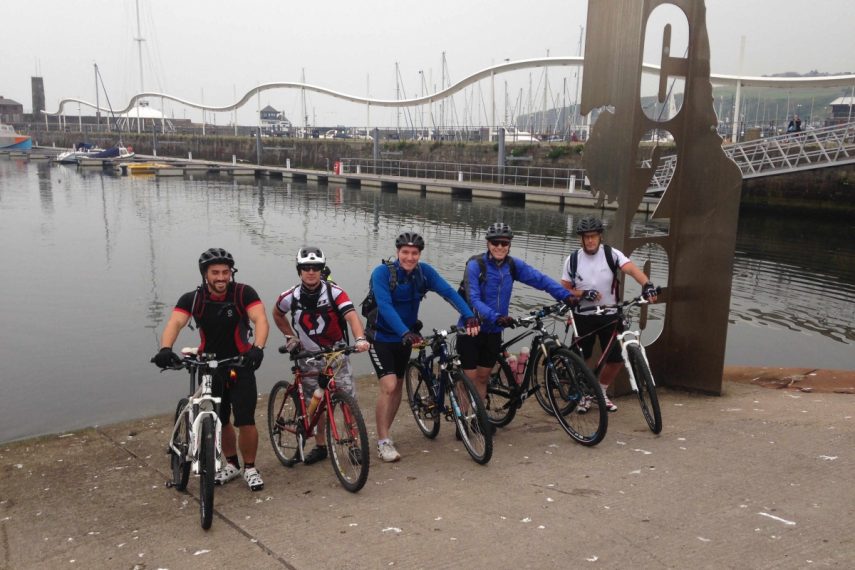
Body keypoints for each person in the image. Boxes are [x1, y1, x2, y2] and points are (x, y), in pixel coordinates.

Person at [152, 248, 270, 491]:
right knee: (220, 418)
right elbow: (176, 322)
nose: (221, 277)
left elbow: (260, 319)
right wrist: (165, 348)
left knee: (246, 419)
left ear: (231, 273)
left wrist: (258, 348)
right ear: (205, 274)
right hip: (209, 364)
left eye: (225, 272)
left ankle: (250, 467)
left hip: (240, 362)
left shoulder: (243, 293)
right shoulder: (193, 299)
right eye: (215, 272)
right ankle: (232, 464)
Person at [369, 231, 480, 462]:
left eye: (414, 253)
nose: (410, 257)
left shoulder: (424, 273)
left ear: (420, 254)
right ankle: (382, 442)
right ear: (397, 252)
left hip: (405, 338)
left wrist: (469, 315)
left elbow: (448, 292)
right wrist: (404, 332)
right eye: (405, 252)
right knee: (389, 386)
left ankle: (385, 435)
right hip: (381, 337)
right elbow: (385, 306)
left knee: (398, 385)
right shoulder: (382, 274)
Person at [457, 222, 574, 407]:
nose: (500, 247)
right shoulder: (475, 265)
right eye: (495, 243)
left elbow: (540, 279)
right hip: (471, 328)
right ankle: (463, 420)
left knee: (483, 377)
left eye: (504, 243)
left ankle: (478, 420)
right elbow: (473, 299)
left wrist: (567, 296)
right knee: (469, 378)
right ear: (488, 244)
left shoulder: (512, 265)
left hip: (494, 330)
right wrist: (495, 315)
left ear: (509, 245)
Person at [272, 246, 370, 465]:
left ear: (321, 269)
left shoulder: (335, 292)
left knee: (348, 401)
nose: (311, 271)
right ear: (299, 271)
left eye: (316, 267)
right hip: (307, 356)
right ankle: (320, 445)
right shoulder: (291, 296)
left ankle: (353, 444)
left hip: (336, 354)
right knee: (314, 405)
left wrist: (360, 339)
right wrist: (290, 336)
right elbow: (277, 313)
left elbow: (352, 316)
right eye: (306, 267)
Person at [560, 217, 658, 412]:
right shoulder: (572, 260)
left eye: (593, 236)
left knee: (616, 359)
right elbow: (563, 290)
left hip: (610, 313)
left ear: (600, 237)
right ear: (581, 239)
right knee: (582, 358)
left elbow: (632, 270)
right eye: (586, 237)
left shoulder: (611, 254)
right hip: (583, 315)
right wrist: (583, 293)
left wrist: (647, 285)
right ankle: (583, 393)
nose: (590, 241)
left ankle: (601, 392)